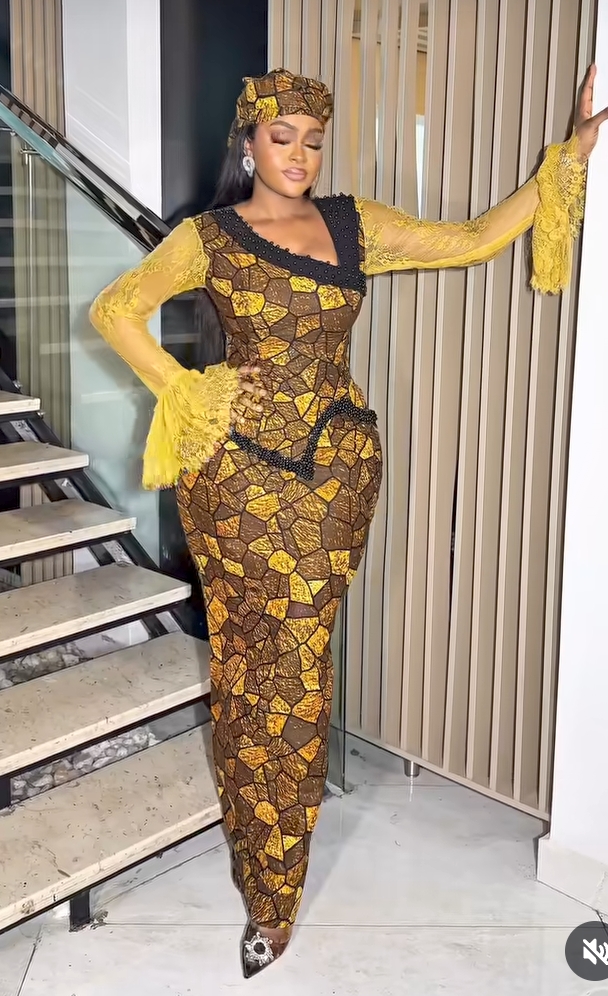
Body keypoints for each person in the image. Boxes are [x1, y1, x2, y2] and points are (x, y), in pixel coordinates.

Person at [90, 66, 606, 978]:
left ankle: (275, 875)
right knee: (250, 667)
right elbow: (116, 308)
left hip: (335, 475)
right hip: (235, 480)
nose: (299, 154)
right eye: (281, 136)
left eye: (313, 140)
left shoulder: (352, 224)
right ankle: (268, 884)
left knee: (298, 666)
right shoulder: (208, 238)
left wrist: (567, 160)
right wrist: (190, 390)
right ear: (248, 142)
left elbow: (473, 240)